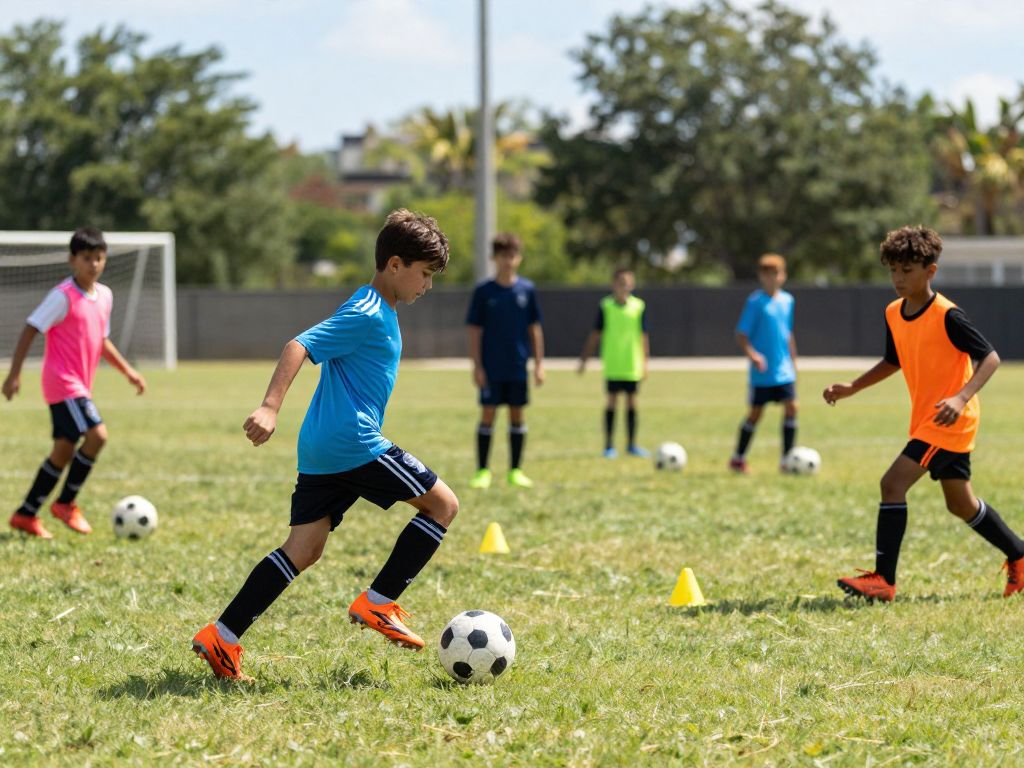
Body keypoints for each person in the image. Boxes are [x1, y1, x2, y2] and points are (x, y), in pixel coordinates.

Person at [192, 210, 455, 680]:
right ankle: (378, 603)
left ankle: (222, 636)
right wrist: (270, 406)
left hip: (321, 448)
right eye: (424, 273)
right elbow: (299, 345)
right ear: (395, 264)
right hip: (352, 441)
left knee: (304, 547)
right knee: (442, 506)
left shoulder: (374, 306)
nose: (427, 285)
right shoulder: (368, 310)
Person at [825, 225, 1024, 602]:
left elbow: (991, 357)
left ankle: (884, 581)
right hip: (929, 419)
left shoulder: (948, 315)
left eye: (908, 271)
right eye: (893, 270)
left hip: (948, 421)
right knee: (960, 504)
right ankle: (1019, 553)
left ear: (930, 272)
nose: (898, 279)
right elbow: (892, 361)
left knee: (892, 484)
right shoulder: (893, 313)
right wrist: (852, 387)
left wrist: (960, 398)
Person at [3, 228, 146, 538]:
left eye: (99, 258)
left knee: (63, 452)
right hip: (63, 384)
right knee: (97, 435)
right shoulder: (62, 296)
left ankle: (26, 513)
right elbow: (31, 329)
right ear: (72, 260)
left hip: (80, 385)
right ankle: (66, 502)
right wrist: (14, 374)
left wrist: (127, 372)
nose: (93, 264)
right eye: (86, 258)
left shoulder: (105, 295)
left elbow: (102, 340)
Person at [466, 232, 544, 489]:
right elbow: (475, 330)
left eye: (511, 256)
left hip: (518, 366)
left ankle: (515, 470)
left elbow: (534, 329)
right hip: (491, 367)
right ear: (493, 258)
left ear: (518, 258)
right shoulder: (484, 291)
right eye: (502, 256)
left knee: (517, 416)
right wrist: (477, 365)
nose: (507, 261)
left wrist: (539, 364)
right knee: (488, 415)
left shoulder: (527, 290)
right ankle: (483, 471)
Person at [729, 253, 798, 473]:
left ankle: (787, 460)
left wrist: (793, 360)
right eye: (768, 274)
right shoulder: (755, 302)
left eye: (776, 273)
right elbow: (741, 334)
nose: (773, 278)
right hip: (763, 371)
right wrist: (753, 355)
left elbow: (787, 333)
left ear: (783, 275)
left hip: (784, 370)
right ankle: (738, 458)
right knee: (755, 413)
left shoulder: (788, 300)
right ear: (761, 276)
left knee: (792, 408)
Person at [577, 267, 650, 458]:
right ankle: (609, 445)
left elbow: (643, 337)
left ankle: (632, 444)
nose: (623, 287)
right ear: (613, 285)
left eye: (626, 284)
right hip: (613, 363)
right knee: (611, 401)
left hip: (632, 364)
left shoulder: (638, 307)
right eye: (620, 283)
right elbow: (595, 334)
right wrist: (585, 359)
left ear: (632, 285)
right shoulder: (606, 306)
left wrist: (645, 363)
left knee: (632, 402)